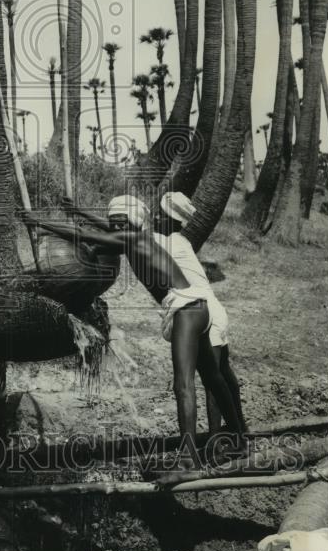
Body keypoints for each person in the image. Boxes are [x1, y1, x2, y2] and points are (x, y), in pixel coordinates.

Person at [22, 194, 245, 451]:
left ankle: (188, 460)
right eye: (113, 222)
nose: (116, 227)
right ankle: (239, 439)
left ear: (135, 223)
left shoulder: (136, 238)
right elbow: (102, 235)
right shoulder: (139, 239)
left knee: (183, 385)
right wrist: (81, 215)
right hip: (200, 307)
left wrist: (40, 222)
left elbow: (85, 235)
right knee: (213, 377)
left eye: (121, 222)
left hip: (186, 307)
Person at [154, 192, 247, 435]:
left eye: (160, 214)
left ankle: (217, 439)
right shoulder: (181, 241)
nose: (155, 217)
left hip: (206, 309)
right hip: (215, 308)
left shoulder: (168, 242)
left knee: (212, 380)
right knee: (223, 373)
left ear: (169, 219)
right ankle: (241, 429)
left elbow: (129, 236)